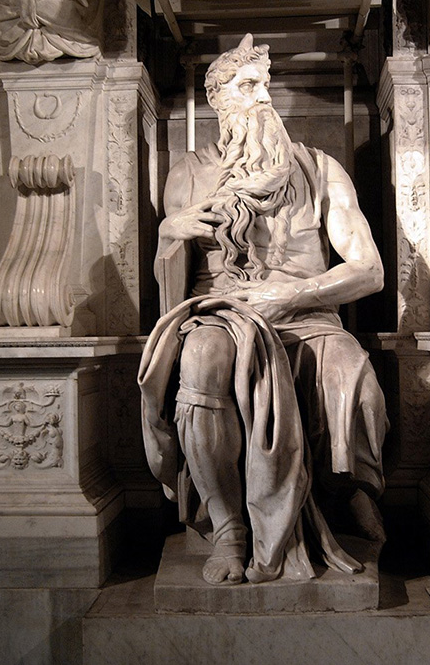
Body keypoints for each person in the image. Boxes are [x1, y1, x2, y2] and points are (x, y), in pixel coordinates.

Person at [139, 35, 388, 586]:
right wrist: (169, 232)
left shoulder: (320, 170)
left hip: (308, 313)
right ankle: (228, 527)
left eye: (266, 86)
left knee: (351, 368)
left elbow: (369, 271)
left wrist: (292, 294)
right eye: (248, 86)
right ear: (218, 99)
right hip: (223, 310)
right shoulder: (188, 173)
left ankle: (349, 491)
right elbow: (174, 282)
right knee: (202, 356)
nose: (263, 97)